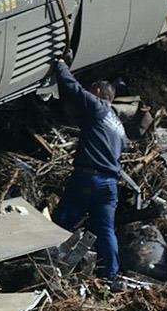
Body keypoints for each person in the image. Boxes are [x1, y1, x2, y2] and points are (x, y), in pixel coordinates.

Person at [50, 57, 127, 283]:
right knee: (106, 231)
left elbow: (72, 88)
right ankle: (110, 277)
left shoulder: (98, 107)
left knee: (62, 220)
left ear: (100, 94)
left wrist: (61, 64)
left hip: (88, 178)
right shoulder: (120, 128)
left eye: (92, 92)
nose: (90, 96)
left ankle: (48, 261)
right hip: (110, 184)